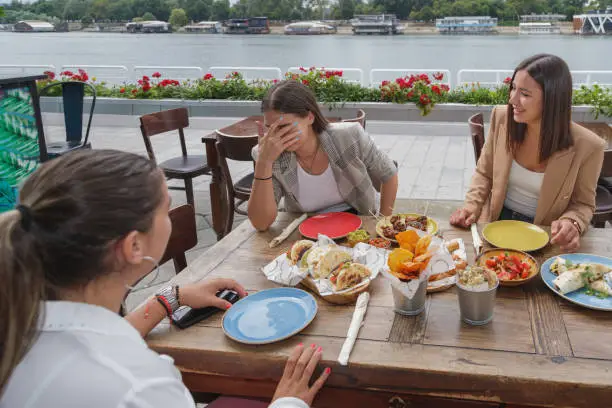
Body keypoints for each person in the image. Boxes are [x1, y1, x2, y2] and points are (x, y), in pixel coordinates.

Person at [0, 149, 330, 407]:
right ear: (133, 246)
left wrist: (167, 300)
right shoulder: (139, 385)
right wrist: (289, 402)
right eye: (167, 207)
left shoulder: (17, 323)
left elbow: (87, 341)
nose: (171, 216)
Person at [450, 54, 605, 252]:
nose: (512, 99)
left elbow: (583, 204)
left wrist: (572, 222)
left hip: (544, 234)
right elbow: (484, 173)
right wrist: (471, 207)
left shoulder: (589, 146)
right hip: (495, 223)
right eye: (513, 88)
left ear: (552, 99)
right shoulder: (502, 117)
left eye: (524, 93)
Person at [248, 80, 399, 231]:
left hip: (359, 223)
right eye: (270, 128)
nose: (276, 137)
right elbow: (261, 223)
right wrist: (264, 163)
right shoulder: (267, 154)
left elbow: (389, 173)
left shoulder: (349, 135)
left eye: (284, 127)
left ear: (310, 117)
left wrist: (382, 223)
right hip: (305, 231)